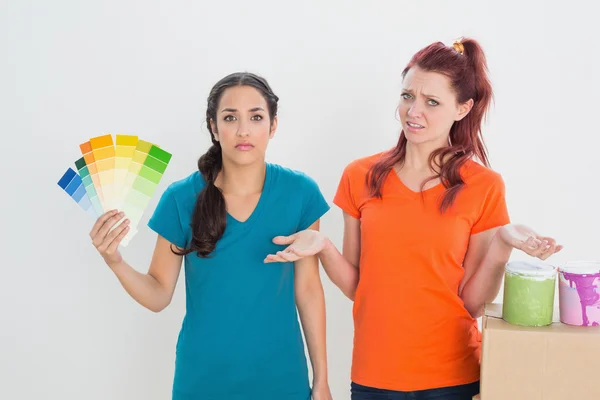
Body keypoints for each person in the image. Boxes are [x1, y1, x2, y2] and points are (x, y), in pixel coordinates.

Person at [265, 38, 563, 400]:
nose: (413, 111)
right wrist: (324, 247)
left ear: (462, 108)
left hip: (453, 378)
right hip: (374, 377)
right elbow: (357, 287)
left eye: (431, 102)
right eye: (407, 96)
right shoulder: (360, 175)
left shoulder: (483, 186)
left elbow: (470, 302)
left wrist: (501, 244)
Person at [89, 72, 333, 400]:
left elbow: (308, 291)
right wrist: (114, 260)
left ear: (273, 126)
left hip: (282, 378)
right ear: (214, 127)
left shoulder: (300, 193)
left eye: (256, 117)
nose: (243, 130)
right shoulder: (181, 198)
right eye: (230, 118)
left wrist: (321, 381)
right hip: (202, 381)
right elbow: (159, 294)